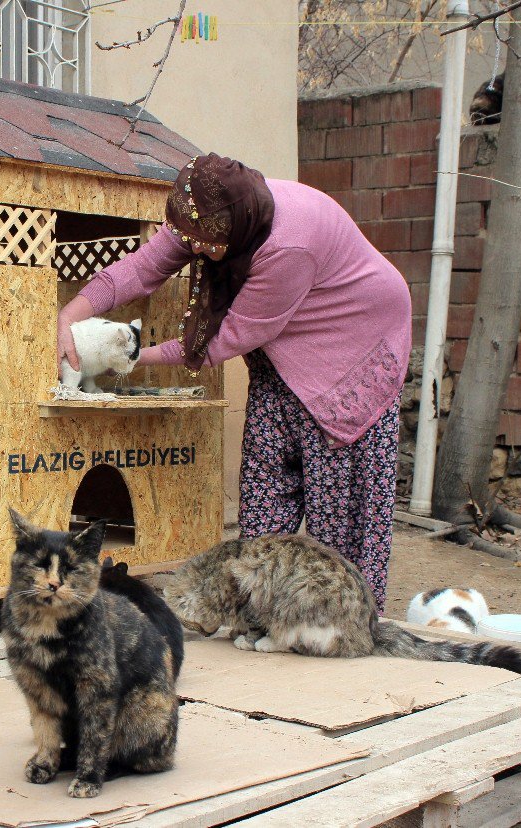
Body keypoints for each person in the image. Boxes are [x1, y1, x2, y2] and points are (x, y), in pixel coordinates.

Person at [56, 153, 411, 611]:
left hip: (355, 340)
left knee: (337, 505)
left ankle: (345, 622)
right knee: (265, 493)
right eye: (191, 241)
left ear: (234, 227)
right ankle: (260, 613)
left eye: (206, 245)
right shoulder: (202, 214)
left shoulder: (286, 247)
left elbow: (228, 339)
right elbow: (141, 269)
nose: (196, 251)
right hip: (283, 346)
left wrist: (122, 355)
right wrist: (73, 314)